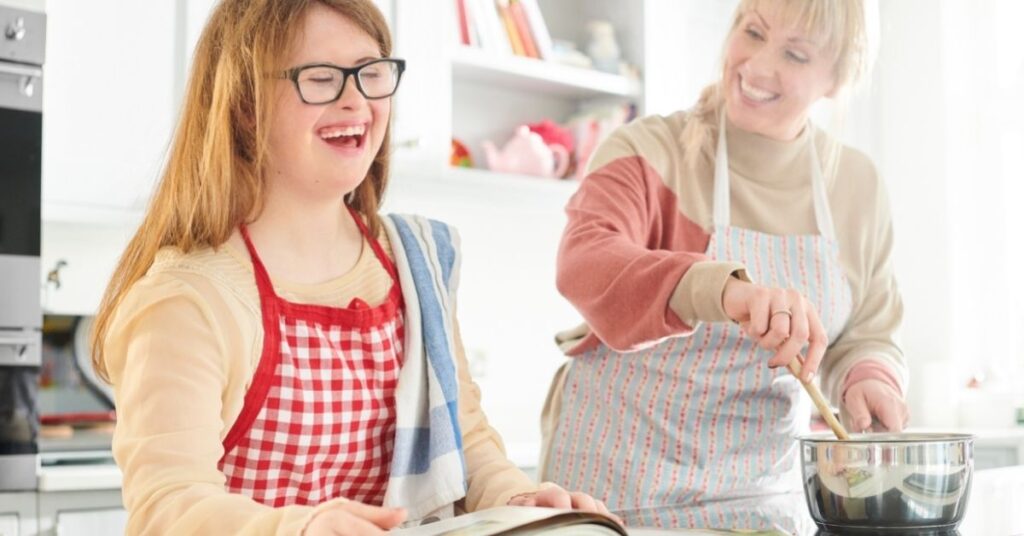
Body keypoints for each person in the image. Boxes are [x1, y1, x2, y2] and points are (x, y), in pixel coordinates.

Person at [90, 1, 613, 534]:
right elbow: (168, 505)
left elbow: (469, 445)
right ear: (245, 105)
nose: (355, 100)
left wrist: (519, 498)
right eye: (320, 78)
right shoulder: (189, 299)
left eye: (370, 73)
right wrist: (301, 528)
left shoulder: (418, 263)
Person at [539, 0, 909, 510]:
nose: (758, 66)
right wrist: (723, 290)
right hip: (614, 491)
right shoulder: (650, 149)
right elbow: (585, 258)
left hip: (756, 500)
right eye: (753, 32)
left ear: (838, 77)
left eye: (795, 54)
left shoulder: (856, 187)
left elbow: (869, 331)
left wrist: (868, 378)